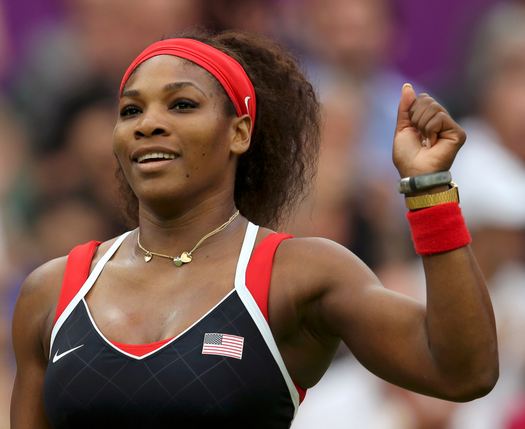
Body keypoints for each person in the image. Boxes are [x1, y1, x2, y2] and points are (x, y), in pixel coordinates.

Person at [10, 31, 498, 428]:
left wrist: (429, 187)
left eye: (181, 105)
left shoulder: (299, 273)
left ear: (239, 132)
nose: (148, 124)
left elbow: (463, 372)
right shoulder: (52, 290)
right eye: (131, 110)